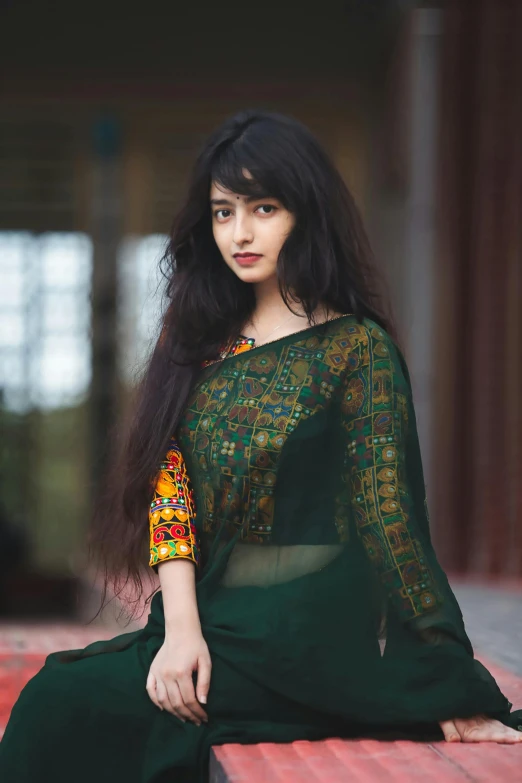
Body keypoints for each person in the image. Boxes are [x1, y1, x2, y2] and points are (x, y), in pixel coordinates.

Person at [1, 109, 521, 783]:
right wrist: (182, 628)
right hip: (208, 615)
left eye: (263, 208)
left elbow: (390, 518)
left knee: (66, 701)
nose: (239, 233)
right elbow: (171, 487)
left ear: (305, 214)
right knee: (65, 694)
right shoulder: (193, 340)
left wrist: (449, 671)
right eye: (222, 212)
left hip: (308, 630)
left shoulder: (355, 349)